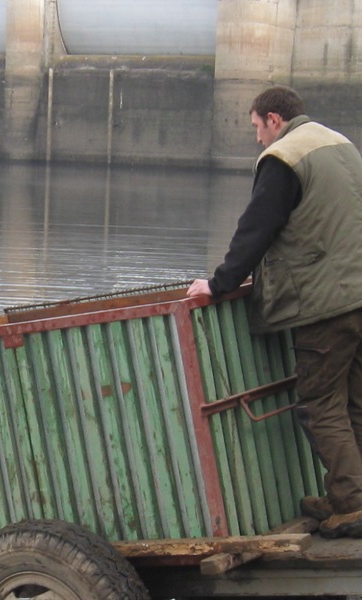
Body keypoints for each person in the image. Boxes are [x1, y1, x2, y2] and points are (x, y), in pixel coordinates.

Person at [187, 85, 362, 539]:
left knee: (322, 403)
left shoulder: (285, 156)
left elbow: (257, 227)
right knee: (355, 402)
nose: (257, 138)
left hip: (326, 303)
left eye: (257, 127)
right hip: (359, 295)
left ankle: (352, 505)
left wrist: (220, 282)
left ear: (274, 120)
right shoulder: (339, 143)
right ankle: (349, 493)